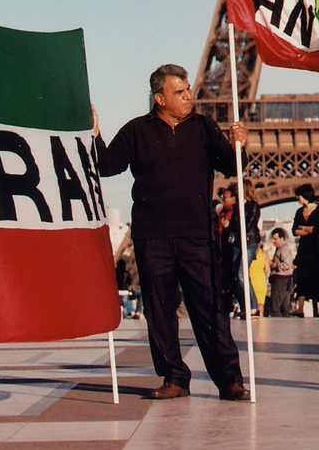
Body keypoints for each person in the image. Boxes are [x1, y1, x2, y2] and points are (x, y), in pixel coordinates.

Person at [92, 64, 251, 401]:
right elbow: (107, 166)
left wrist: (239, 146)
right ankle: (174, 376)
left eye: (189, 89)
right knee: (159, 310)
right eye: (180, 92)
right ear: (159, 98)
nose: (189, 96)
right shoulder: (137, 130)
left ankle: (229, 379)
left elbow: (230, 166)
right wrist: (93, 134)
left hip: (196, 234)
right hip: (152, 236)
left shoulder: (205, 127)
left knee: (210, 310)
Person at [219, 180, 261, 318]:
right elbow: (235, 225)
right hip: (237, 242)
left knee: (242, 274)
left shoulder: (253, 206)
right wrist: (228, 224)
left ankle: (253, 307)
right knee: (238, 275)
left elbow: (248, 225)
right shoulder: (237, 207)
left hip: (249, 242)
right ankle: (246, 306)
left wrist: (233, 226)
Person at [291, 183, 319, 317]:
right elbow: (294, 231)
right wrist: (310, 230)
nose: (297, 197)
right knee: (302, 277)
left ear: (305, 195)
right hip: (304, 250)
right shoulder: (298, 211)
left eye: (299, 195)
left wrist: (303, 228)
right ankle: (300, 308)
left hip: (317, 249)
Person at [268, 228, 295, 317]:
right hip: (285, 280)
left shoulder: (283, 248)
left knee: (275, 307)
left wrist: (274, 265)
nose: (273, 241)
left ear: (282, 238)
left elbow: (287, 264)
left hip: (281, 280)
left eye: (275, 239)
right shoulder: (280, 248)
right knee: (285, 307)